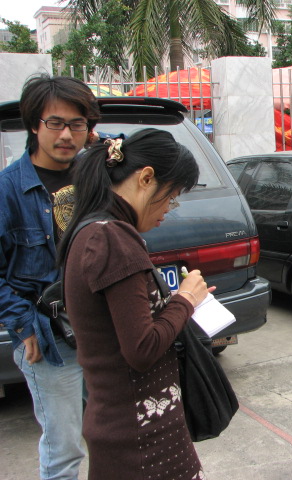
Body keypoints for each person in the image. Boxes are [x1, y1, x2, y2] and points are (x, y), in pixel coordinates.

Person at [58, 128, 210, 480]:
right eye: (171, 197)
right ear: (146, 178)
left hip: (131, 427)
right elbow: (142, 348)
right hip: (141, 439)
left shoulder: (96, 229)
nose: (168, 210)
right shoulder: (112, 238)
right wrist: (186, 299)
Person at [0, 74, 100, 479]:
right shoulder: (8, 190)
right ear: (33, 125)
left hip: (100, 329)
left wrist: (102, 143)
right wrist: (22, 325)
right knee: (64, 450)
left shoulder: (93, 175)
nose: (66, 135)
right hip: (49, 339)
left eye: (77, 124)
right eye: (55, 123)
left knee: (114, 431)